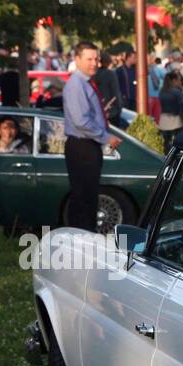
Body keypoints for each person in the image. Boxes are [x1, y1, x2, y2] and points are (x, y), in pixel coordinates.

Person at [62, 42, 121, 231]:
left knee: (88, 197)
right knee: (83, 199)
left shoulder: (85, 83)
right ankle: (81, 240)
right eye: (89, 59)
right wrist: (106, 137)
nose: (94, 63)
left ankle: (85, 237)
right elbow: (81, 121)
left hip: (88, 146)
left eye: (96, 59)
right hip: (82, 147)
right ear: (77, 59)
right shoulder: (76, 85)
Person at [157, 71, 183, 152]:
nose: (180, 82)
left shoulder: (162, 91)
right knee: (177, 144)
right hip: (175, 121)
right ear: (174, 81)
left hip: (164, 120)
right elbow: (181, 108)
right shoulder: (177, 92)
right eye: (178, 80)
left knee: (165, 143)